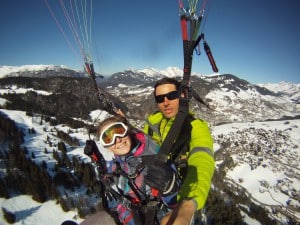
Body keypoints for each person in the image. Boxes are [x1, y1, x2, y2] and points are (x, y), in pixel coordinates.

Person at [143, 77, 215, 225]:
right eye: (160, 98)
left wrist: (188, 203)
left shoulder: (196, 127)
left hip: (179, 194)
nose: (166, 102)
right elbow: (141, 145)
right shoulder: (152, 123)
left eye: (171, 96)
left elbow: (201, 160)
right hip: (151, 189)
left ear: (181, 96)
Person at [85, 115, 180, 225]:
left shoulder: (155, 159)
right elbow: (108, 176)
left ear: (127, 131)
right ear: (106, 146)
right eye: (108, 139)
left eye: (119, 131)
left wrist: (170, 190)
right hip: (122, 216)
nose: (118, 140)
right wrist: (97, 158)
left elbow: (175, 207)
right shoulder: (119, 161)